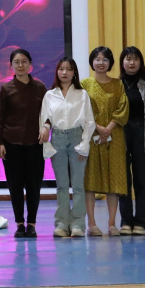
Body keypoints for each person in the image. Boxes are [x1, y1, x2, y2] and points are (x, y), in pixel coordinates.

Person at [0, 48, 48, 238]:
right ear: (11, 66)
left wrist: (46, 127)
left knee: (34, 186)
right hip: (11, 144)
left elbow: (48, 113)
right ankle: (19, 223)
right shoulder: (6, 88)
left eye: (24, 61)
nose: (20, 65)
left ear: (30, 64)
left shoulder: (40, 87)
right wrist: (0, 142)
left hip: (35, 144)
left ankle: (31, 223)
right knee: (15, 186)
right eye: (16, 62)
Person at [39, 57, 95, 238]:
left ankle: (78, 224)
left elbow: (89, 122)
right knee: (62, 186)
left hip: (76, 138)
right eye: (61, 69)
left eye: (69, 69)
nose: (64, 72)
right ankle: (62, 224)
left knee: (78, 186)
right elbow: (44, 121)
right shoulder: (50, 95)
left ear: (74, 73)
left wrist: (84, 145)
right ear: (57, 71)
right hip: (58, 139)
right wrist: (48, 146)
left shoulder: (82, 94)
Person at [81, 46, 129, 236]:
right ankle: (92, 224)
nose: (101, 63)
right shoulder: (85, 84)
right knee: (90, 181)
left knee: (113, 180)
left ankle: (111, 224)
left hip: (114, 136)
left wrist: (108, 128)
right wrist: (98, 127)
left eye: (105, 59)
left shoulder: (118, 84)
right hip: (91, 136)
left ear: (111, 63)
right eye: (97, 59)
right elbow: (81, 110)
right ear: (91, 62)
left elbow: (123, 108)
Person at [118, 46, 145, 235]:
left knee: (141, 181)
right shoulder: (116, 85)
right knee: (123, 182)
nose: (131, 63)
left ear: (140, 62)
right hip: (121, 137)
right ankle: (126, 221)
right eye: (128, 59)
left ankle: (141, 222)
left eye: (135, 59)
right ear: (122, 62)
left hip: (143, 135)